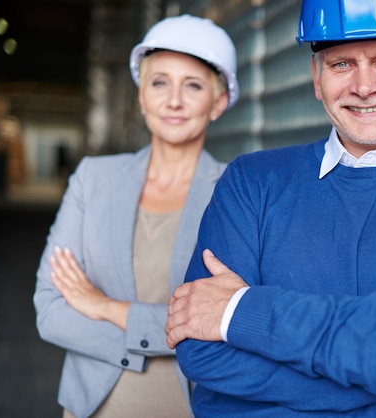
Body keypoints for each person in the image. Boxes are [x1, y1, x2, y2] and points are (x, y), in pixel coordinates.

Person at [165, 0, 376, 416]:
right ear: (317, 78)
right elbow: (203, 355)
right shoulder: (252, 183)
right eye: (342, 64)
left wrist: (242, 311)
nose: (364, 87)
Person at [33, 14, 238, 418]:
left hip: (189, 406)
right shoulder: (94, 179)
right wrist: (154, 337)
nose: (173, 100)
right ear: (141, 96)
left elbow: (232, 320)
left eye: (193, 86)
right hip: (90, 406)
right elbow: (51, 311)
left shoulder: (238, 192)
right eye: (159, 82)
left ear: (218, 103)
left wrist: (106, 307)